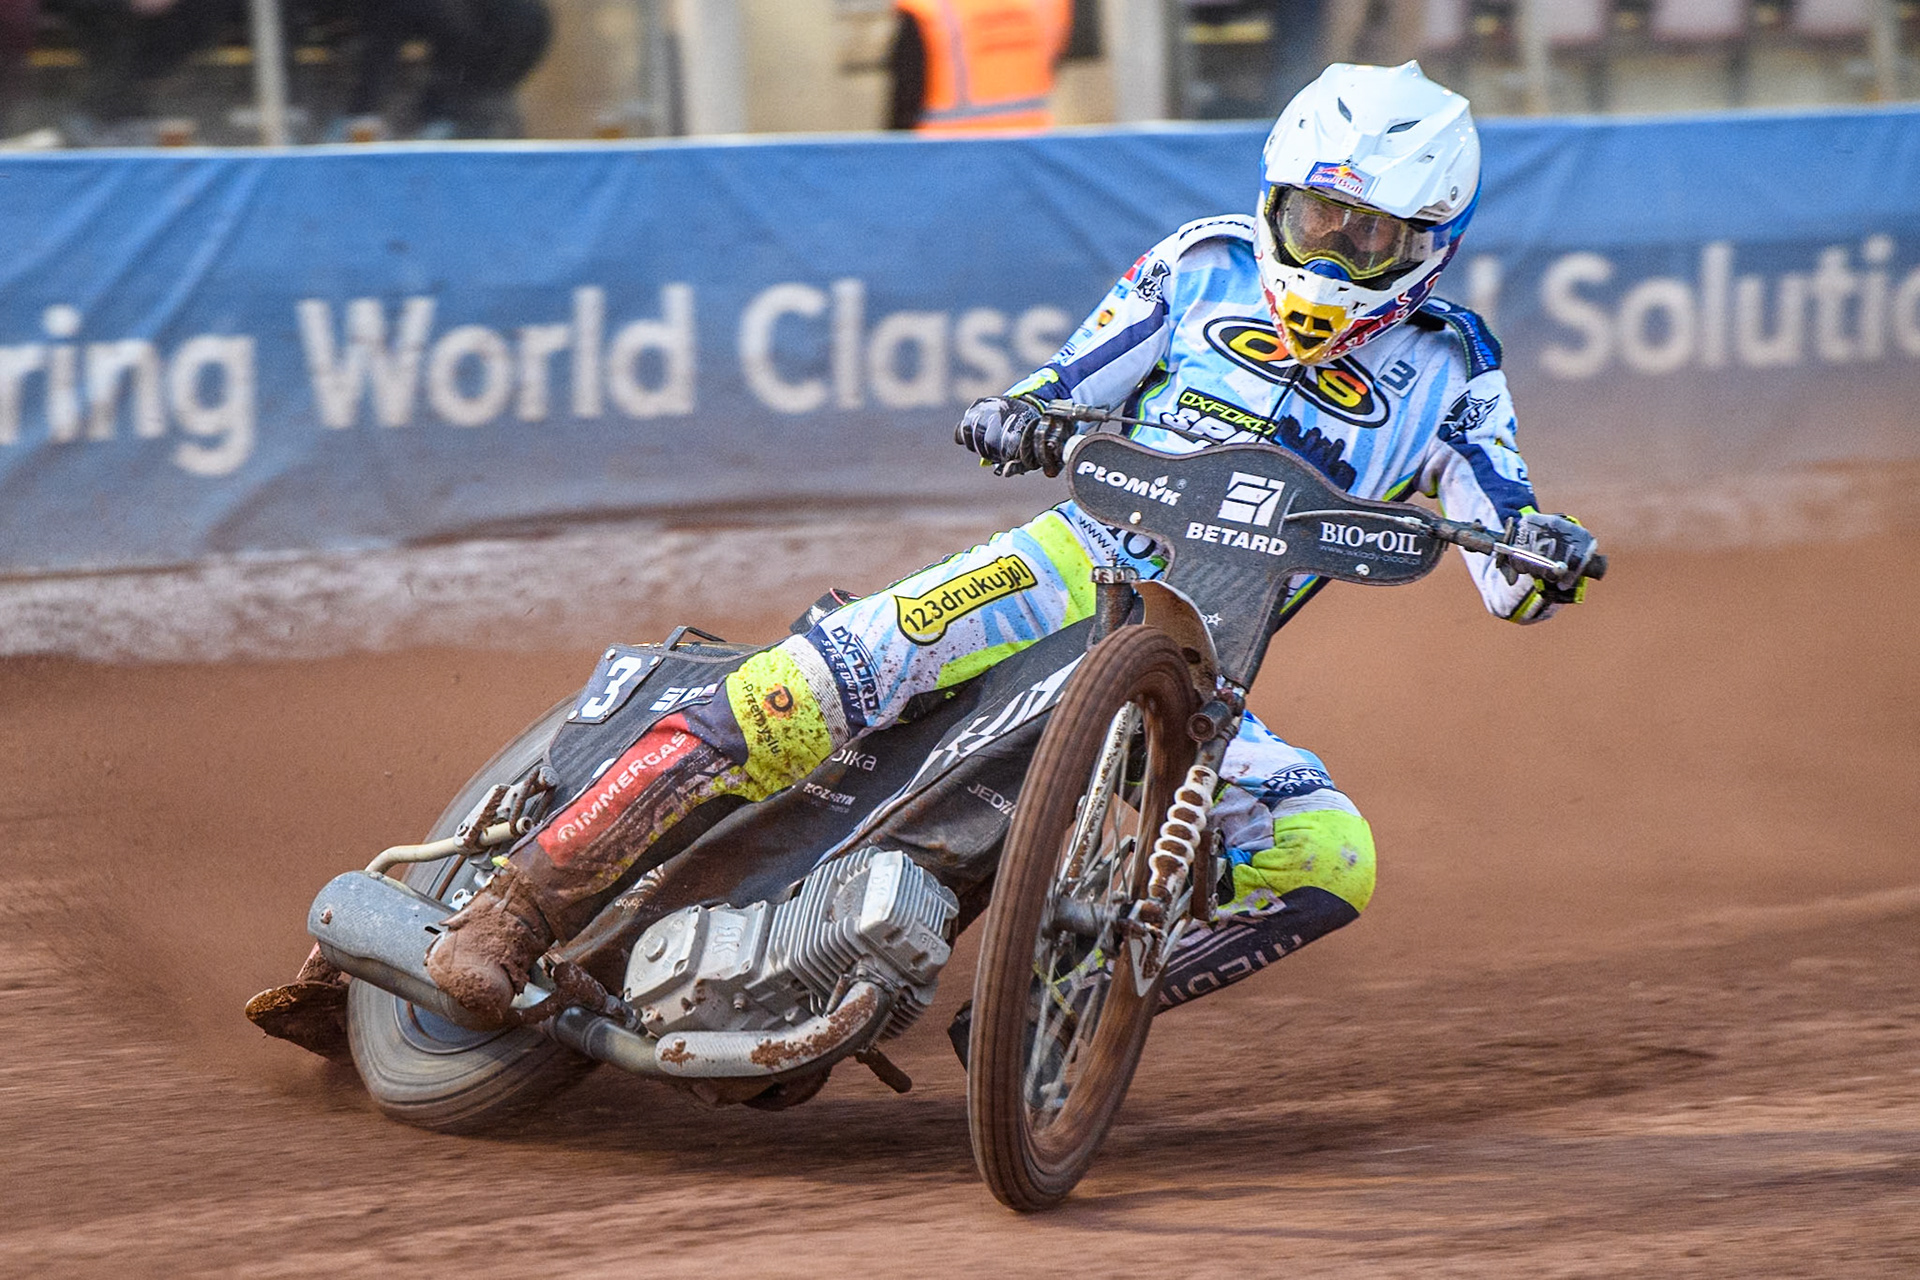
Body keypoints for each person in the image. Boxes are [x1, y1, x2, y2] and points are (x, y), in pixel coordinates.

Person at [252, 61, 1599, 1054]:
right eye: (1316, 218)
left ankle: (1063, 995)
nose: (1339, 250)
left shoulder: (1455, 373)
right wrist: (1024, 411)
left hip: (1206, 668)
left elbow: (1507, 559)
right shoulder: (1199, 266)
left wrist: (1541, 551)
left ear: (1432, 244)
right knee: (810, 685)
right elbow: (1070, 379)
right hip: (1066, 564)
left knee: (1328, 854)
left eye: (1373, 234)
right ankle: (510, 912)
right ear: (1275, 199)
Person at [887, 0, 1069, 132]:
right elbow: (1055, 62)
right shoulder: (1047, 5)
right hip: (1029, 150)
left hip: (947, 154)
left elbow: (907, 96)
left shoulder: (926, 6)